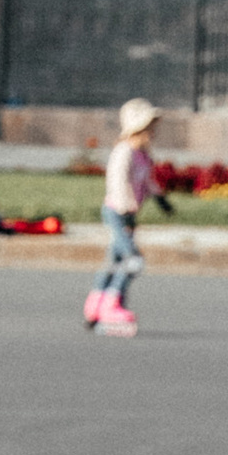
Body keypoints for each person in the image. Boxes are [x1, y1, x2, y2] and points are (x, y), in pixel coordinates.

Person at [85, 95, 161, 336]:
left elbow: (146, 180)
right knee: (132, 261)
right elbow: (117, 182)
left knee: (115, 261)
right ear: (138, 128)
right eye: (149, 127)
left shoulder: (143, 154)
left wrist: (160, 197)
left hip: (128, 214)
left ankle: (95, 305)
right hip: (117, 212)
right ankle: (111, 305)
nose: (152, 132)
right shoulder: (123, 151)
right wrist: (126, 210)